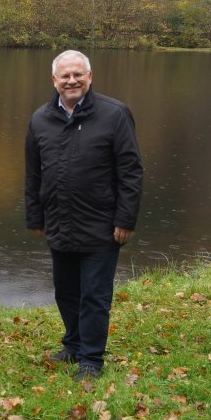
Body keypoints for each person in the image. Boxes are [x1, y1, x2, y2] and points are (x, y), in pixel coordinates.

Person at [24, 50, 143, 380]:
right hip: (59, 224)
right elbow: (33, 173)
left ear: (89, 77)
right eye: (65, 76)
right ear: (54, 81)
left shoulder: (115, 115)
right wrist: (35, 216)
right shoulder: (39, 119)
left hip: (102, 227)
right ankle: (73, 344)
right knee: (65, 292)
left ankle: (91, 359)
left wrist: (125, 219)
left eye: (78, 74)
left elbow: (131, 172)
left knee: (94, 295)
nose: (72, 80)